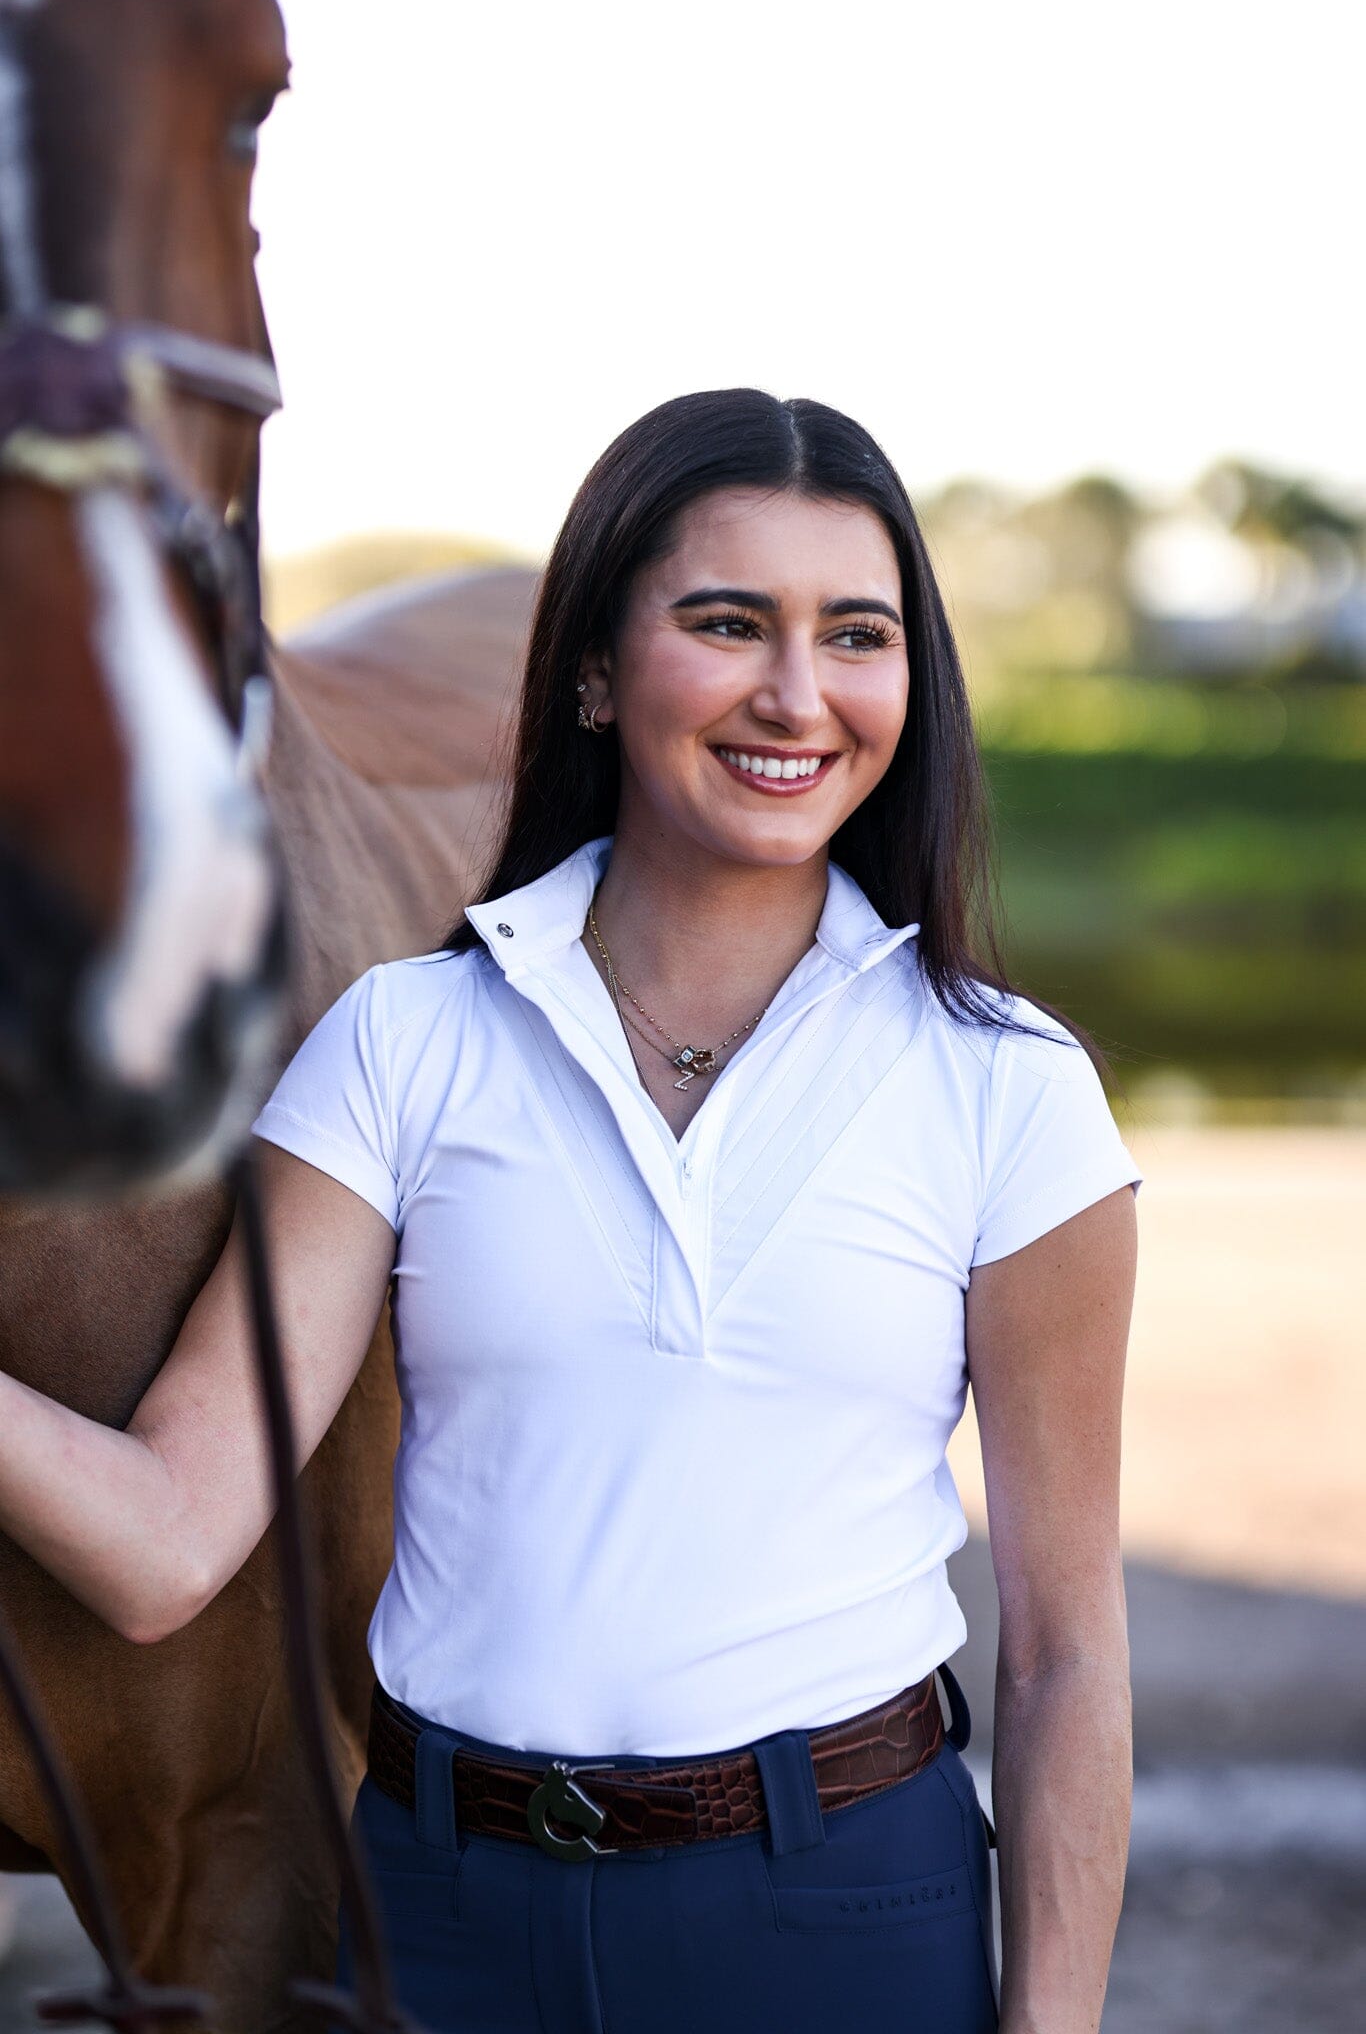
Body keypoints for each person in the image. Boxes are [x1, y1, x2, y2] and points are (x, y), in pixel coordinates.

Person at [0, 389, 1141, 2034]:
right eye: (728, 623)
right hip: (448, 1919)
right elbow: (169, 1543)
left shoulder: (1008, 1093)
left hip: (842, 1910)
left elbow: (1063, 1662)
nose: (796, 694)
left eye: (858, 634)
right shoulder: (404, 1043)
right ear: (597, 674)